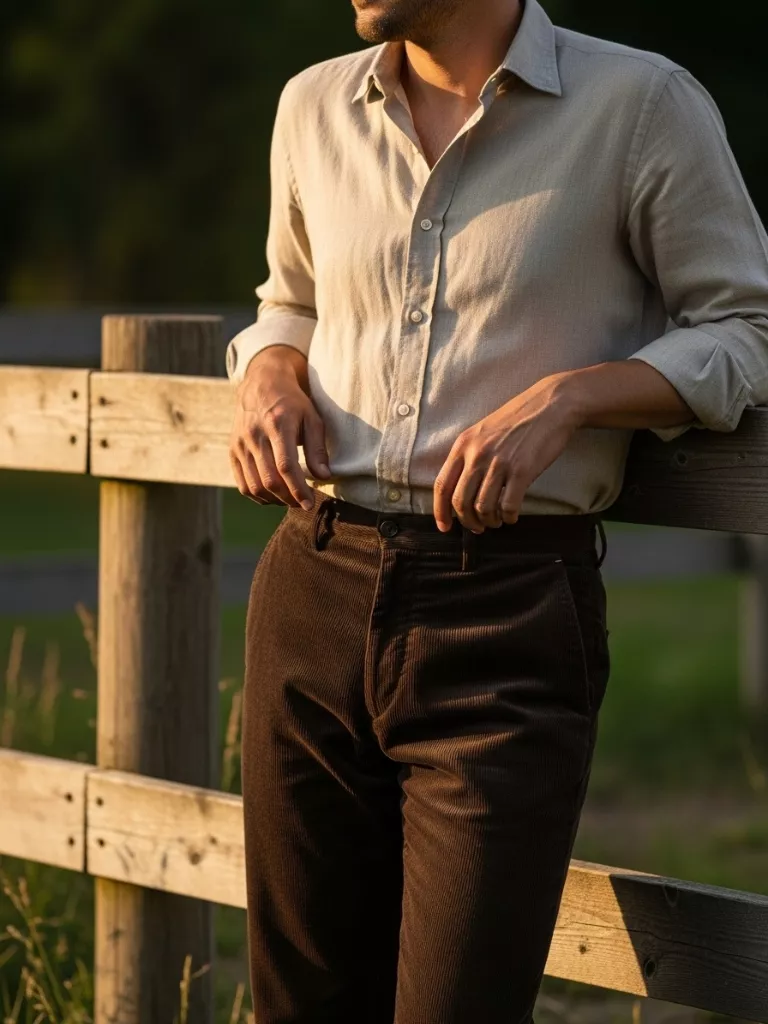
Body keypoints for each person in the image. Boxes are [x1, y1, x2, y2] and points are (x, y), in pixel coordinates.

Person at [226, 0, 768, 1019]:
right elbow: (286, 299)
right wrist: (268, 373)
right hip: (313, 589)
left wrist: (574, 395)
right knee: (300, 1002)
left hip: (508, 607)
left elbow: (747, 328)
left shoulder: (641, 105)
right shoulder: (311, 106)